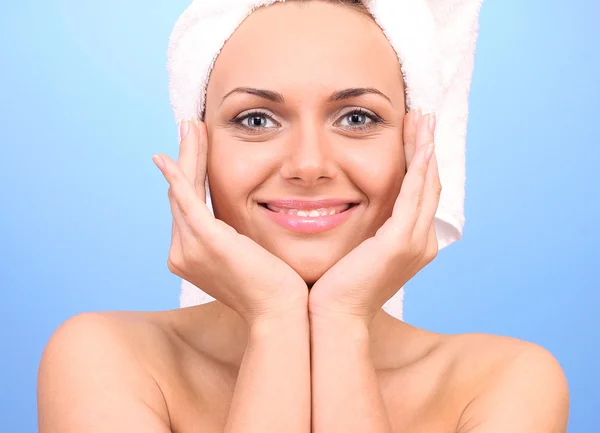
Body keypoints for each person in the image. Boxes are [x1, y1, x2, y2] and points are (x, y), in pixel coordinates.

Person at [37, 1, 570, 432]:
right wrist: (274, 318)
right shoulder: (104, 360)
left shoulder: (502, 384)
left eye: (357, 117)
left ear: (419, 152)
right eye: (257, 119)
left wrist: (340, 320)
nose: (309, 165)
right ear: (197, 149)